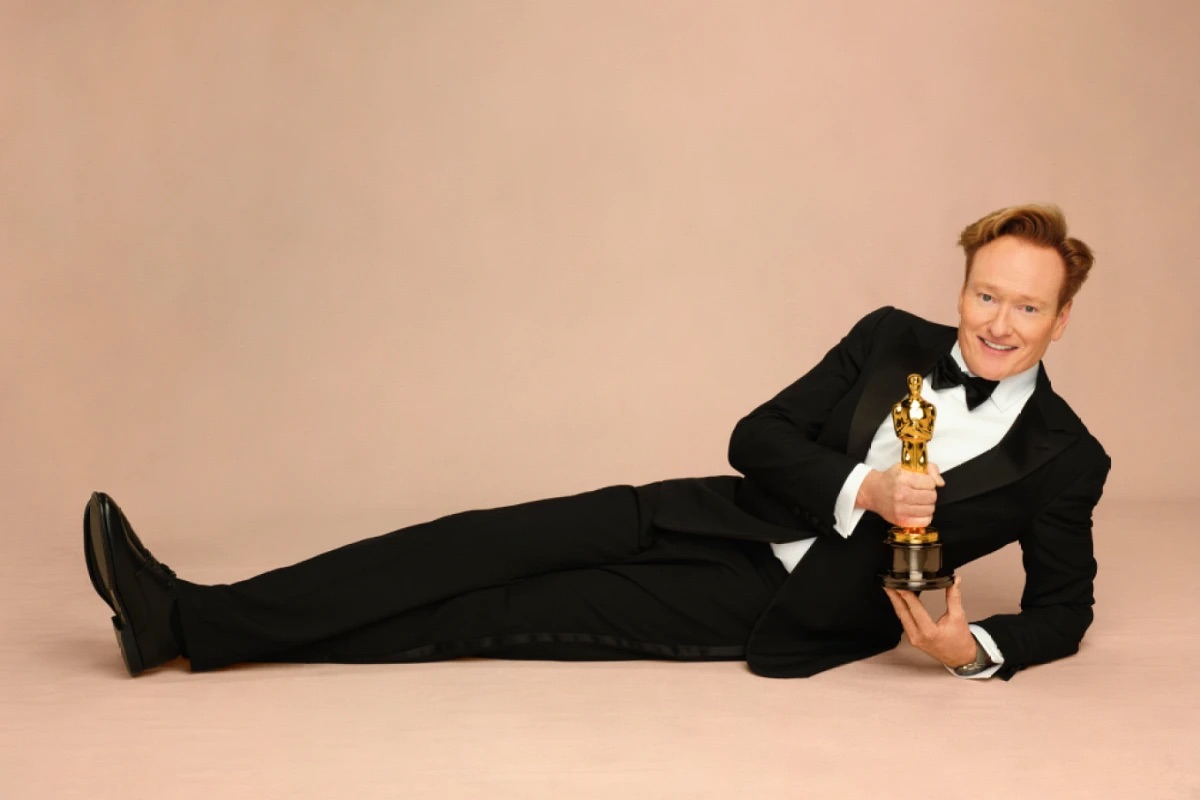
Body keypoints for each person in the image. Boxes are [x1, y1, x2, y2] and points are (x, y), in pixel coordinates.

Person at [84, 203, 1109, 681]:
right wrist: (862, 488)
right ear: (961, 288)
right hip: (707, 508)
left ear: (1060, 320)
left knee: (494, 613)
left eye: (1028, 306)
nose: (999, 323)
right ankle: (190, 613)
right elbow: (757, 436)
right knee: (468, 541)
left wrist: (971, 650)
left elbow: (1065, 608)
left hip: (772, 600)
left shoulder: (1069, 458)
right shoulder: (889, 336)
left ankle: (195, 629)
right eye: (986, 294)